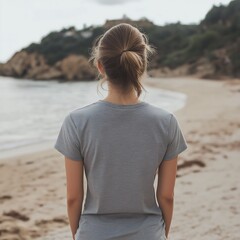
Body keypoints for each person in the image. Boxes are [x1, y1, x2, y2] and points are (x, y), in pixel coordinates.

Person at [54, 23, 188, 240]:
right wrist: (162, 234)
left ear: (100, 66)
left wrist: (77, 235)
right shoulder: (166, 122)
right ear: (142, 65)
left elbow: (73, 198)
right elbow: (166, 196)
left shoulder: (76, 122)